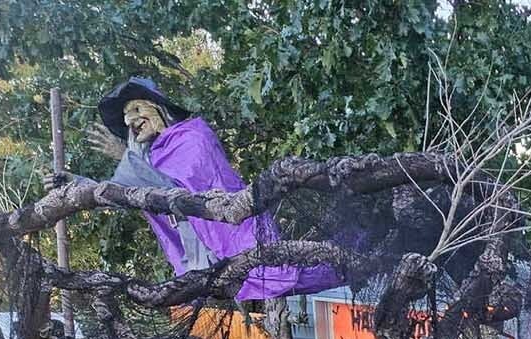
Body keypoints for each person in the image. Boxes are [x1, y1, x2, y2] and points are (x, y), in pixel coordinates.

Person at [48, 77, 334, 300]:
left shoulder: (192, 136)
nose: (129, 120)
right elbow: (129, 194)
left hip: (231, 238)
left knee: (306, 272)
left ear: (157, 108)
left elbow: (172, 188)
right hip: (199, 259)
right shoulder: (152, 156)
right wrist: (76, 182)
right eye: (125, 116)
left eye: (136, 109)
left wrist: (125, 155)